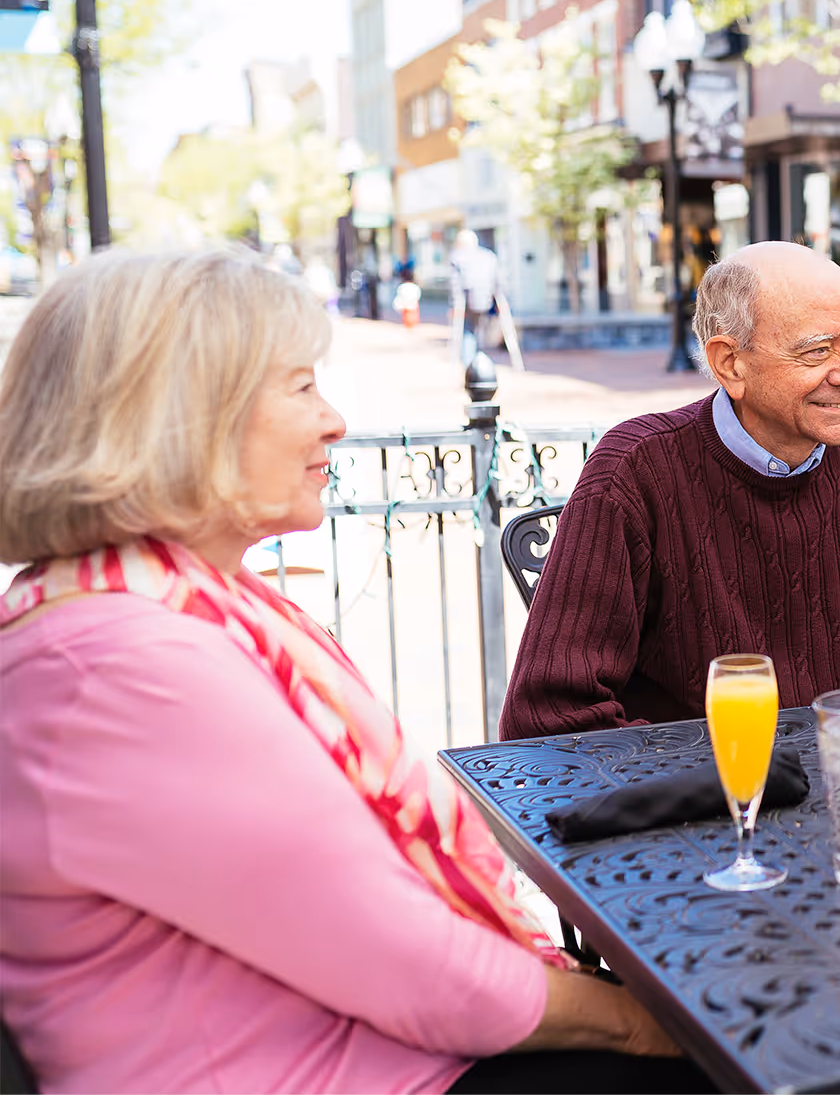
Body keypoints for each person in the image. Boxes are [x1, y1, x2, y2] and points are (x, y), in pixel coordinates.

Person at [0, 252, 707, 1094]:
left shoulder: (141, 612)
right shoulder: (128, 665)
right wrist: (652, 1022)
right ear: (183, 416)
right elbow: (422, 974)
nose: (334, 420)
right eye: (301, 387)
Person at [501, 240, 840, 738]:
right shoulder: (634, 472)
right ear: (730, 364)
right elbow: (549, 719)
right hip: (711, 802)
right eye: (817, 351)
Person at [449, 229, 501, 364]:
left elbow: (455, 283)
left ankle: (470, 365)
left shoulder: (458, 257)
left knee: (468, 331)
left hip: (468, 301)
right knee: (478, 329)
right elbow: (497, 279)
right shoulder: (488, 256)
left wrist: (454, 304)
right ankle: (479, 360)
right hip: (485, 299)